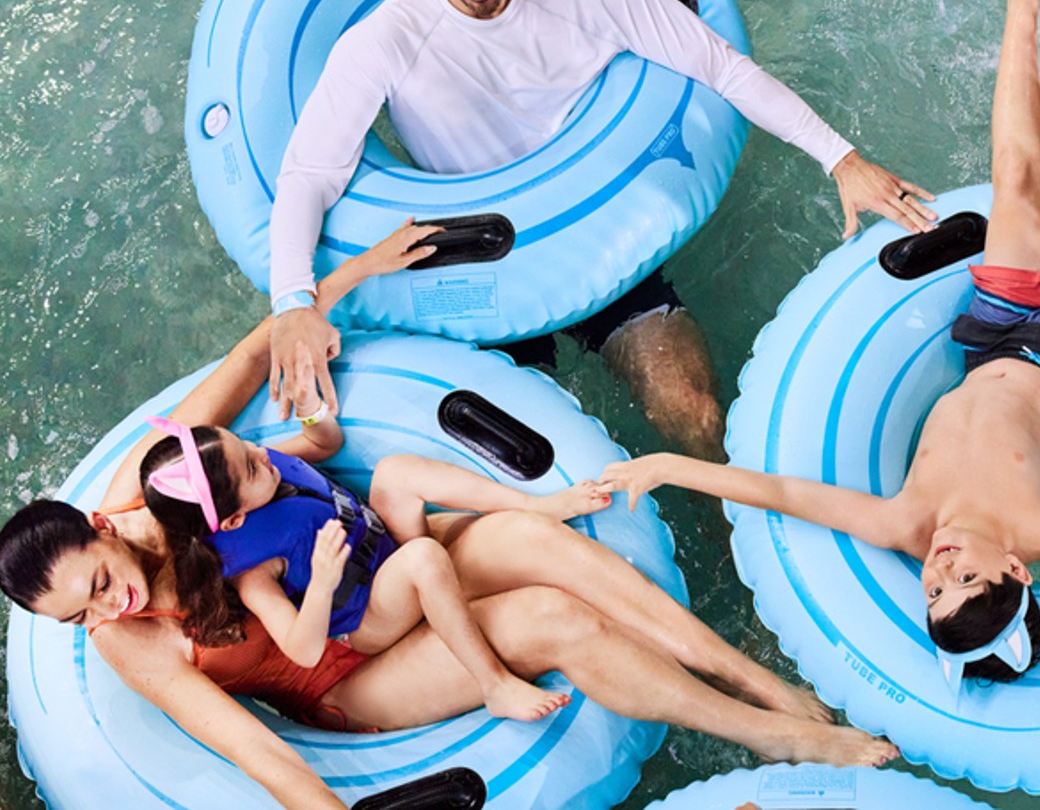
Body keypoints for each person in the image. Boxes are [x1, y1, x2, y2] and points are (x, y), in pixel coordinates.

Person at [0, 265, 898, 810]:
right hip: (348, 677)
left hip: (372, 580)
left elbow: (241, 381)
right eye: (79, 618)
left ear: (98, 528)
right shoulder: (135, 645)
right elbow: (256, 750)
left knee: (535, 543)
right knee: (547, 615)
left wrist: (299, 309)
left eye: (97, 582)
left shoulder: (158, 488)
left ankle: (748, 673)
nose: (106, 610)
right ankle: (765, 734)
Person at [267, 0, 937, 462]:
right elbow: (309, 174)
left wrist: (841, 158)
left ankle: (736, 535)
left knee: (693, 413)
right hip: (478, 268)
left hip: (592, 237)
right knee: (519, 459)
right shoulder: (385, 38)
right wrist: (294, 300)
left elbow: (719, 65)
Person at [599, 0, 1040, 693]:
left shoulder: (907, 525)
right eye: (964, 579)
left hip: (992, 338)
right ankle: (1024, 0)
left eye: (933, 593)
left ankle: (1020, 3)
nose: (938, 570)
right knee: (1022, 177)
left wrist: (668, 463)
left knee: (1015, 179)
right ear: (1013, 570)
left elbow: (790, 495)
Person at [141, 407, 610, 721]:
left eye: (246, 446)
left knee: (395, 472)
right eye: (251, 467)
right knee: (423, 558)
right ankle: (494, 685)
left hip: (380, 552)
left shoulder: (264, 468)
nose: (263, 455)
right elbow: (302, 650)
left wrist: (310, 409)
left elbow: (324, 441)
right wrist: (322, 584)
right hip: (369, 617)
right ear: (235, 517)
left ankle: (536, 505)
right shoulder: (253, 574)